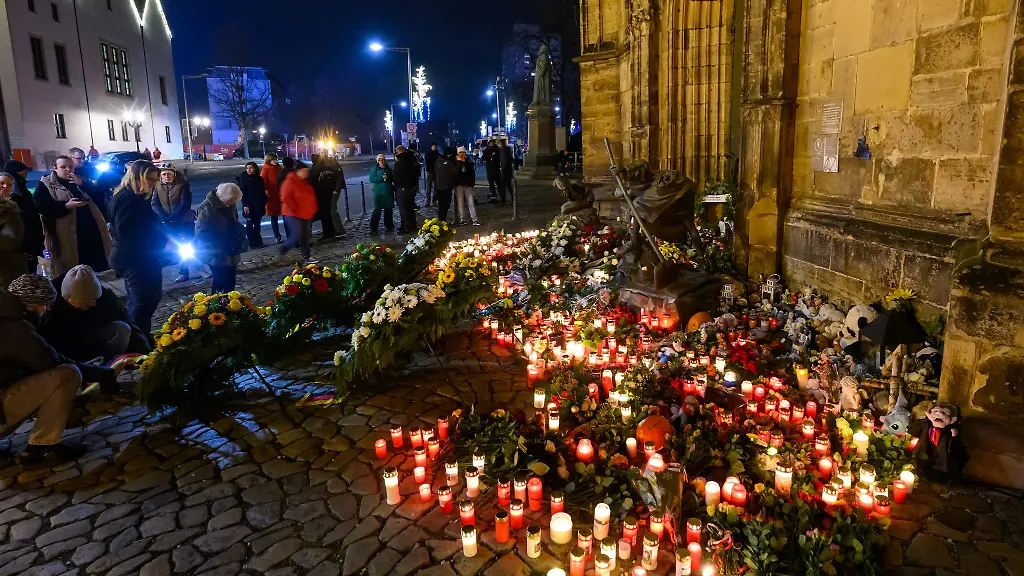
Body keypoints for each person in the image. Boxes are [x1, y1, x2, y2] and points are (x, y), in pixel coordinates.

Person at [0, 275, 85, 464]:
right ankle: (44, 446)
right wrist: (102, 373)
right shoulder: (14, 327)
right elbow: (49, 362)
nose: (47, 310)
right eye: (47, 305)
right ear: (35, 305)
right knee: (68, 374)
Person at [42, 264, 150, 363]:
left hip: (90, 337)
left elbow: (128, 321)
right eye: (85, 302)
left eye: (95, 299)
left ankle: (109, 367)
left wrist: (145, 355)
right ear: (68, 299)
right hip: (63, 346)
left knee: (123, 328)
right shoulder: (48, 304)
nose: (93, 304)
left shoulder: (105, 297)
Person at [107, 161, 166, 335]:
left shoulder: (136, 197)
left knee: (141, 302)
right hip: (136, 259)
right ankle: (137, 340)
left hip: (141, 257)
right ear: (137, 177)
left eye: (155, 180)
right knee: (143, 303)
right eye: (149, 179)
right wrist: (157, 242)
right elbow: (127, 234)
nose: (153, 184)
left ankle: (140, 338)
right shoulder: (127, 199)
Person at [35, 155, 112, 277]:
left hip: (90, 231)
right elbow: (42, 208)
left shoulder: (79, 180)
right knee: (71, 268)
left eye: (70, 166)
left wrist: (82, 184)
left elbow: (99, 194)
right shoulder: (46, 184)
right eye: (63, 167)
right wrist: (65, 206)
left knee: (92, 266)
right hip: (66, 233)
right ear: (55, 168)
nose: (68, 169)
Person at [196, 183, 246, 293]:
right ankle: (215, 302)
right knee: (220, 280)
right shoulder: (207, 208)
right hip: (216, 251)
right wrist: (214, 244)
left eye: (234, 201)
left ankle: (229, 301)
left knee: (230, 280)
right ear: (223, 197)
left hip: (231, 248)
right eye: (231, 200)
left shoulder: (230, 205)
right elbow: (200, 232)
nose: (233, 203)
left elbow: (234, 221)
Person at [152, 165, 194, 282]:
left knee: (186, 245)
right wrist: (163, 216)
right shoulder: (157, 186)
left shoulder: (182, 185)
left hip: (183, 221)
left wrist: (175, 217)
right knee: (170, 245)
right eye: (164, 174)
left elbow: (185, 203)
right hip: (167, 221)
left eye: (169, 174)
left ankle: (184, 271)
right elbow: (154, 203)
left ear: (174, 174)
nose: (166, 176)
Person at [3, 161, 44, 274]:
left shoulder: (23, 192)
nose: (25, 178)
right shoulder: (11, 196)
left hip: (29, 244)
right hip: (20, 246)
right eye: (23, 175)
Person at [278, 161, 316, 263]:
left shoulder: (304, 181)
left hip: (306, 213)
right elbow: (285, 196)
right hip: (292, 213)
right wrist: (294, 208)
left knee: (306, 236)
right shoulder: (290, 181)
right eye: (304, 171)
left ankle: (307, 256)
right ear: (298, 171)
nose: (306, 173)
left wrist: (313, 208)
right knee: (297, 234)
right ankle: (283, 249)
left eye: (307, 171)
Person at [0, 175, 26, 285]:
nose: (5, 186)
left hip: (11, 263)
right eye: (1, 183)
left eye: (9, 185)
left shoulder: (13, 209)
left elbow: (14, 238)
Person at [309, 156, 340, 241]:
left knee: (321, 215)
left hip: (320, 196)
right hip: (329, 194)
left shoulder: (314, 170)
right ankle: (330, 232)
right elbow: (338, 175)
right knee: (327, 214)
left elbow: (312, 183)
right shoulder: (328, 168)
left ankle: (328, 233)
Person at [236, 162, 267, 248]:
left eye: (251, 168)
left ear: (255, 169)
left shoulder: (259, 179)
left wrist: (264, 201)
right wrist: (245, 205)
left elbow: (262, 191)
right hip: (249, 206)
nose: (249, 170)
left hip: (258, 205)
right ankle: (252, 243)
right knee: (250, 224)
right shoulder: (244, 179)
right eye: (247, 168)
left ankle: (258, 242)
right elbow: (242, 194)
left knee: (257, 224)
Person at [392, 145, 420, 233]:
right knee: (410, 207)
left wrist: (402, 185)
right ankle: (411, 225)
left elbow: (398, 175)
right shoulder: (411, 158)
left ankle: (406, 227)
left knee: (404, 208)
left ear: (398, 152)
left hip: (403, 188)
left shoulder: (402, 161)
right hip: (411, 187)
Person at [368, 154, 395, 234]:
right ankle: (374, 227)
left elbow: (392, 177)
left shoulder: (388, 168)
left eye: (383, 160)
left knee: (388, 209)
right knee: (377, 210)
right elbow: (371, 178)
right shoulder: (375, 168)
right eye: (380, 160)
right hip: (379, 192)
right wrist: (381, 178)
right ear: (377, 161)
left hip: (388, 191)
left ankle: (389, 225)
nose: (381, 161)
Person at [261, 154, 284, 243]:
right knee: (274, 217)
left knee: (285, 215)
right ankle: (277, 236)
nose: (275, 161)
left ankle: (288, 234)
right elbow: (264, 182)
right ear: (269, 161)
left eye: (276, 159)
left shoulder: (279, 168)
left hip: (280, 194)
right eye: (273, 160)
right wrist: (267, 192)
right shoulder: (266, 169)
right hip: (272, 195)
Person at [454, 147, 480, 226]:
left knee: (470, 202)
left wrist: (472, 183)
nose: (462, 154)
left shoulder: (468, 161)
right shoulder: (455, 162)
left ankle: (474, 219)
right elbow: (455, 172)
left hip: (467, 184)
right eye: (460, 152)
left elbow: (471, 172)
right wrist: (459, 162)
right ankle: (462, 219)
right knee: (460, 203)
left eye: (463, 152)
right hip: (459, 185)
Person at [433, 147, 458, 224]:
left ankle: (441, 219)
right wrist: (458, 163)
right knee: (445, 204)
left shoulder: (438, 160)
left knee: (441, 204)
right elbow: (455, 172)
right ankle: (442, 220)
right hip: (446, 186)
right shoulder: (448, 162)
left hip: (438, 186)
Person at [499, 139, 516, 205]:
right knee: (509, 186)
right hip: (508, 171)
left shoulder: (503, 150)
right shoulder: (508, 149)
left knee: (503, 187)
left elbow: (504, 161)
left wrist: (502, 168)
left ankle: (503, 200)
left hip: (504, 171)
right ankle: (513, 198)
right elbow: (511, 160)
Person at [425, 143, 441, 207]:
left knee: (436, 187)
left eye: (435, 146)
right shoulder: (428, 153)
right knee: (428, 187)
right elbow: (427, 162)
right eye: (433, 146)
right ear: (431, 147)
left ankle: (434, 200)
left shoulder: (438, 154)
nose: (434, 147)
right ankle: (428, 200)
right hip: (430, 172)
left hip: (436, 172)